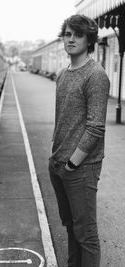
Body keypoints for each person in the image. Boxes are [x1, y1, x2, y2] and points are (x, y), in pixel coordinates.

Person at [48, 14, 110, 267]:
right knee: (71, 227)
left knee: (86, 235)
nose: (71, 39)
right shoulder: (62, 74)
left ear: (89, 39)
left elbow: (95, 128)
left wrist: (72, 164)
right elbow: (63, 120)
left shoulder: (95, 75)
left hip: (81, 168)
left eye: (78, 35)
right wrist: (56, 161)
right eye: (67, 34)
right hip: (58, 164)